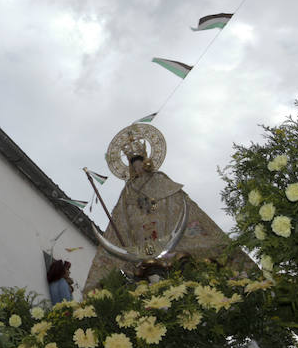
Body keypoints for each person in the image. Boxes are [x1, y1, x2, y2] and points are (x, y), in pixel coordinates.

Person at [83, 124, 246, 292]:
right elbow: (121, 218)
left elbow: (175, 204)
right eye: (133, 162)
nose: (137, 166)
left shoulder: (160, 179)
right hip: (141, 241)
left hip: (167, 235)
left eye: (139, 160)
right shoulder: (128, 191)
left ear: (146, 160)